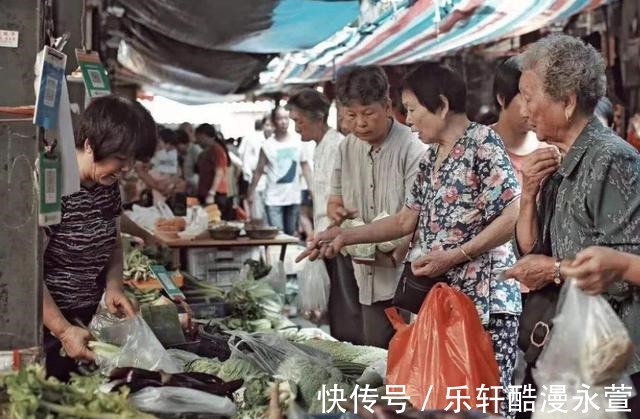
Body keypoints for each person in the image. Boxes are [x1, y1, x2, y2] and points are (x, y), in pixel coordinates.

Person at [299, 63, 523, 417]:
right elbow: (405, 220)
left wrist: (455, 255)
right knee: (446, 403)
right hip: (443, 302)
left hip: (485, 304)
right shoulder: (432, 156)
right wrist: (342, 235)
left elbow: (512, 214)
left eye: (414, 109)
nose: (409, 119)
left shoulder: (483, 142)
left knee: (487, 404)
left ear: (443, 106)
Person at [503, 34, 640, 419]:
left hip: (612, 357)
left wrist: (554, 269)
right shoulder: (556, 160)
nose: (524, 110)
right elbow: (530, 251)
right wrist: (528, 194)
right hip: (571, 347)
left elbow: (625, 266)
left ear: (566, 101)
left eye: (529, 97)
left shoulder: (612, 160)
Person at [299, 65, 428, 348]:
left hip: (404, 276)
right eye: (351, 115)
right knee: (368, 352)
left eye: (368, 113)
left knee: (403, 354)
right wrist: (337, 213)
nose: (360, 123)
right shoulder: (346, 148)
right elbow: (335, 200)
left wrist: (399, 248)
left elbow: (417, 216)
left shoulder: (413, 148)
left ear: (387, 106)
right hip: (360, 270)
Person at [43, 95, 157, 381]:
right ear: (90, 145)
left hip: (87, 320)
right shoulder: (54, 186)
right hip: (49, 328)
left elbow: (113, 242)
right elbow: (25, 270)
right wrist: (62, 329)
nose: (127, 169)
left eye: (131, 160)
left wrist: (114, 287)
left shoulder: (107, 185)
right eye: (120, 159)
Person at [287, 88, 350, 338]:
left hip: (341, 239)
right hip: (326, 239)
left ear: (318, 116)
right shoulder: (320, 146)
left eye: (298, 121)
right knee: (336, 308)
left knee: (345, 308)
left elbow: (343, 199)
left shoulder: (337, 146)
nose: (296, 128)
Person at [247, 107, 312, 235]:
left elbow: (305, 166)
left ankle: (288, 256)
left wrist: (313, 189)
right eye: (279, 118)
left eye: (286, 118)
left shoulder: (298, 141)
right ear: (273, 121)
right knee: (277, 236)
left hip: (293, 197)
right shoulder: (267, 145)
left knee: (290, 235)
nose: (283, 122)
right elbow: (259, 170)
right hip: (273, 199)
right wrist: (250, 192)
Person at [492, 56, 548, 185]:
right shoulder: (477, 149)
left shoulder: (550, 149)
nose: (534, 107)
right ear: (501, 98)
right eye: (527, 98)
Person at [195, 123, 233, 220]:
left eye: (198, 137)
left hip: (215, 194)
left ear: (204, 135)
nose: (197, 140)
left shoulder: (217, 150)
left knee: (214, 220)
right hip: (205, 192)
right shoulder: (205, 152)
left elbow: (219, 172)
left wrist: (212, 193)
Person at [241, 115, 274, 223]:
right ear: (263, 126)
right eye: (268, 125)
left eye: (272, 125)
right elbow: (245, 161)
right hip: (257, 181)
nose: (270, 128)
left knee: (271, 215)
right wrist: (249, 181)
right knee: (258, 216)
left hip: (274, 184)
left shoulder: (278, 141)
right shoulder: (252, 139)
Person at [175, 127, 202, 195]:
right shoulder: (181, 154)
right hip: (187, 188)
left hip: (196, 187)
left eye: (177, 146)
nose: (176, 149)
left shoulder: (195, 150)